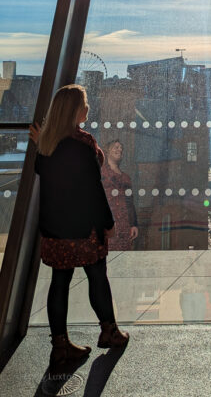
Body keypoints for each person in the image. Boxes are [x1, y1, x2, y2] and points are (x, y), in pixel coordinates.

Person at [30, 84, 129, 372]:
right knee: (97, 276)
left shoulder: (46, 143)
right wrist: (108, 224)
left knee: (59, 283)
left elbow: (44, 171)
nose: (88, 108)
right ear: (76, 111)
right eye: (84, 104)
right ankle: (109, 332)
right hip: (83, 228)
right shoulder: (83, 143)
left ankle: (60, 347)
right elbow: (93, 190)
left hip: (54, 228)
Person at [101, 139, 138, 251]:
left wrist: (134, 224)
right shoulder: (101, 173)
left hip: (124, 224)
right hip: (108, 222)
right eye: (116, 147)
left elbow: (130, 203)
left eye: (121, 148)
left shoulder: (126, 177)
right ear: (107, 151)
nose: (120, 149)